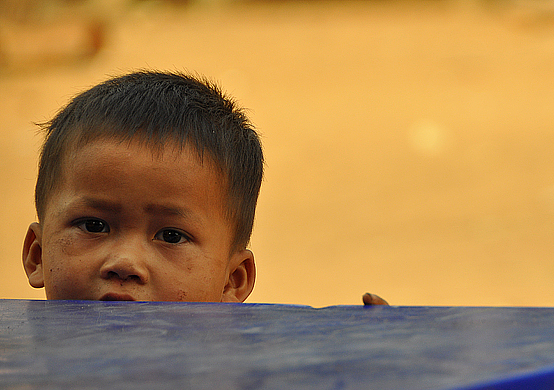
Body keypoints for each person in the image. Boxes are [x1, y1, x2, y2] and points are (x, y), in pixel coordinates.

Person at [21, 70, 387, 305]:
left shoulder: (248, 384)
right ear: (37, 254)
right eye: (94, 225)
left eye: (171, 236)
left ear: (232, 281)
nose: (125, 264)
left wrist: (392, 364)